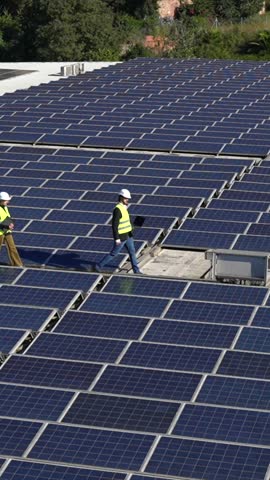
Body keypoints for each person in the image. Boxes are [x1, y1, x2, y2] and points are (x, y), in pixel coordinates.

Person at [95, 189, 142, 274]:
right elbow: (114, 225)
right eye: (125, 198)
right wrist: (116, 238)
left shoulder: (124, 208)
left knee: (132, 252)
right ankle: (98, 266)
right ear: (121, 198)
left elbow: (126, 222)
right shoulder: (117, 210)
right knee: (114, 253)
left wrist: (133, 225)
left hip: (128, 235)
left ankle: (136, 270)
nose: (127, 200)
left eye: (128, 198)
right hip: (121, 237)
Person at [0, 191, 23, 267]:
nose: (8, 202)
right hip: (0, 232)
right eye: (7, 200)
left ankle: (17, 264)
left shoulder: (5, 207)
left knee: (12, 247)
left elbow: (7, 217)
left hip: (7, 231)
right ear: (2, 201)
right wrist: (7, 225)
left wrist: (11, 223)